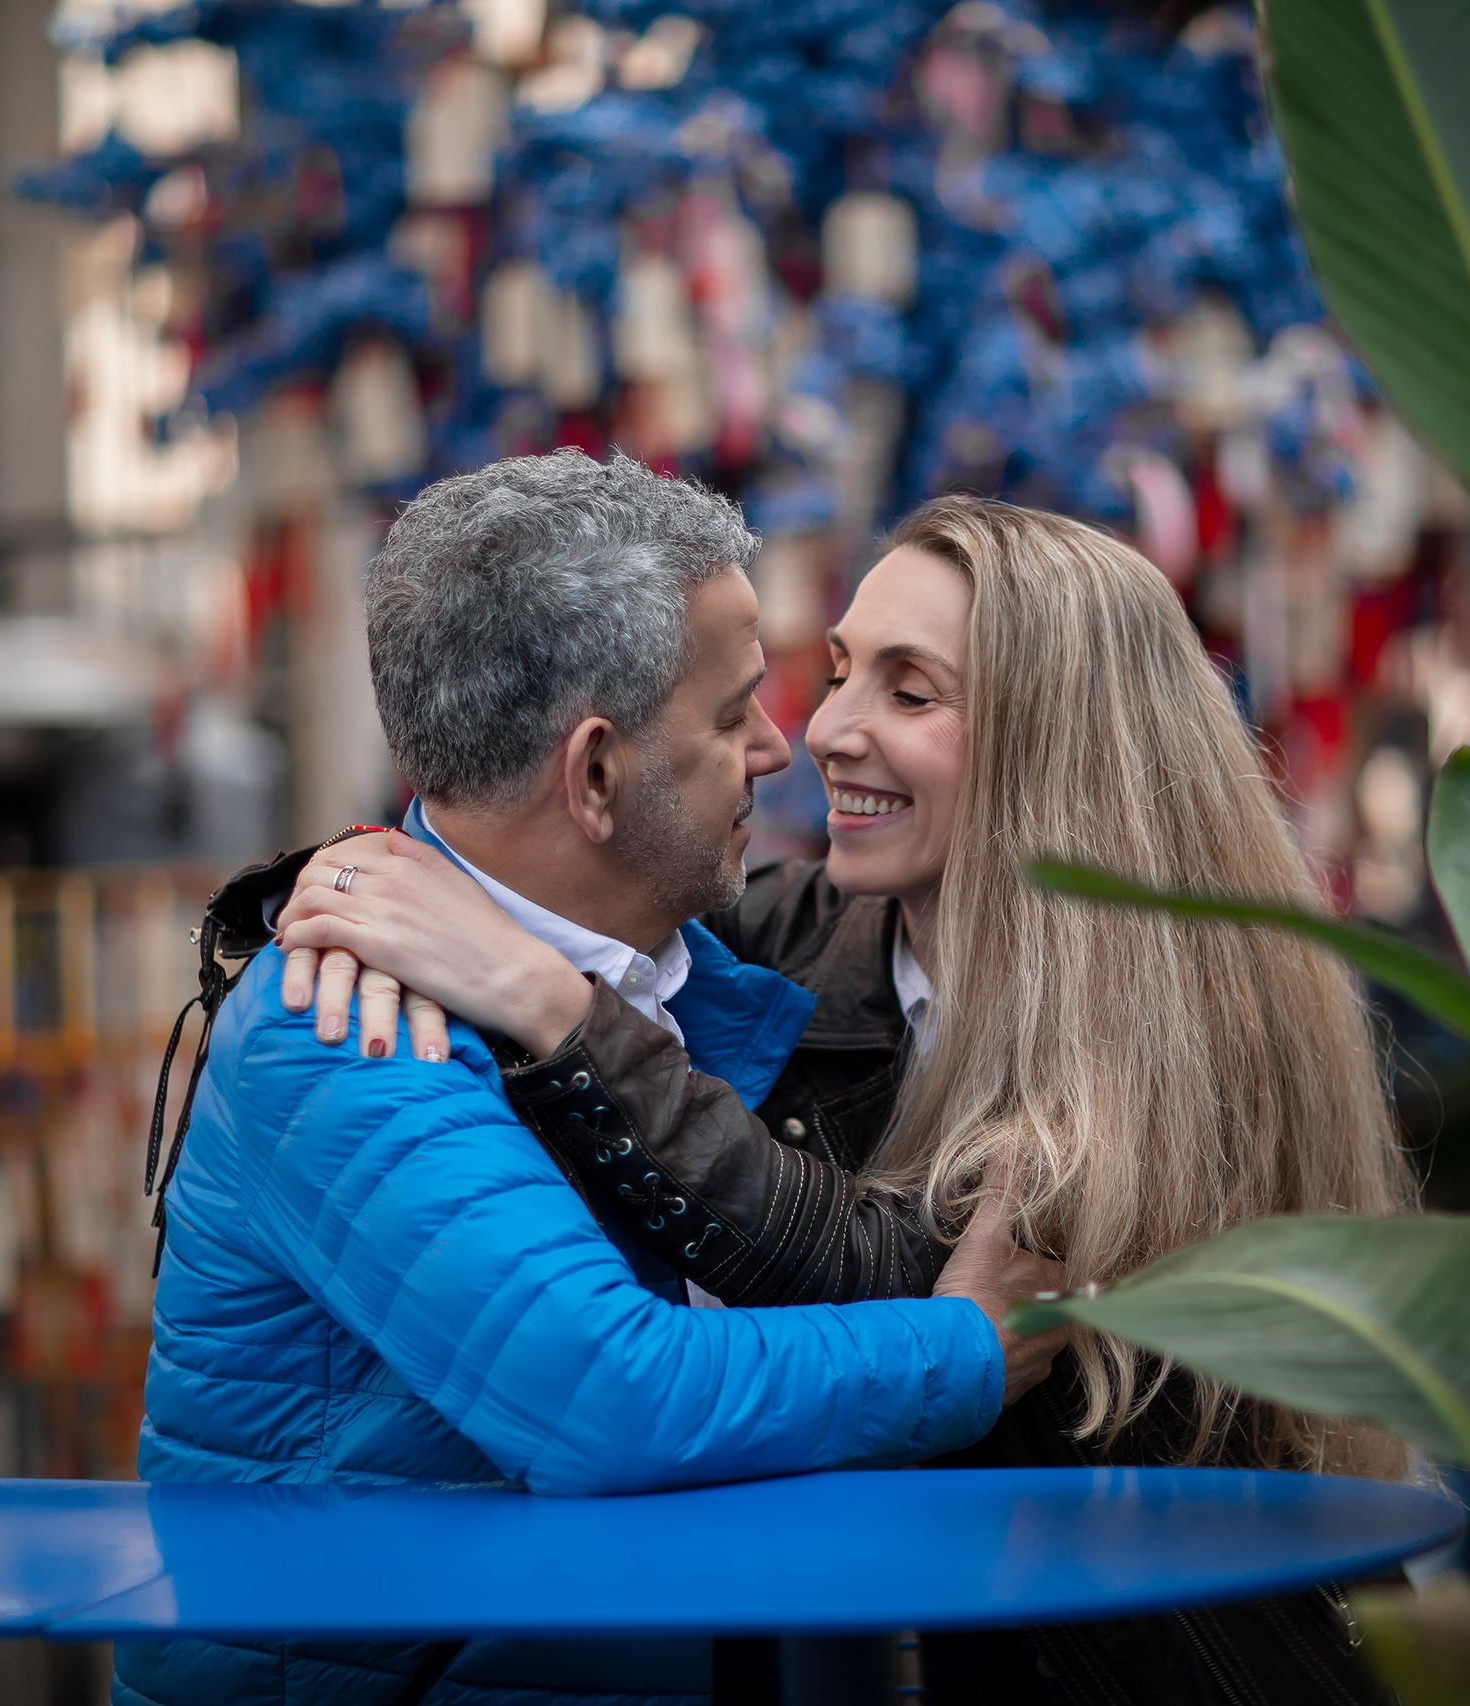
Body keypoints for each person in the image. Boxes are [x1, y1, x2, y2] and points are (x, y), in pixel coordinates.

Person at [270, 496, 1417, 1706]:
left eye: (909, 694)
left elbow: (896, 1274)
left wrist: (547, 1003)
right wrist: (356, 880)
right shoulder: (807, 939)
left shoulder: (1182, 1014)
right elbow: (562, 877)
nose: (822, 731)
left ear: (1062, 740)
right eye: (839, 674)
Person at [121, 455, 1066, 1706]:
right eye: (734, 715)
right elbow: (611, 1399)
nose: (785, 746)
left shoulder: (680, 966)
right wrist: (970, 1347)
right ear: (596, 774)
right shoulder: (342, 1035)